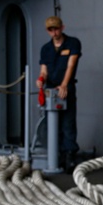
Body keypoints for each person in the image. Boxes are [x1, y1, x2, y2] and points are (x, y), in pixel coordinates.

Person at [37, 15, 81, 172]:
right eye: (50, 30)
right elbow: (44, 70)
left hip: (66, 89)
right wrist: (41, 80)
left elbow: (71, 65)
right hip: (50, 90)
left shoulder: (72, 43)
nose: (54, 32)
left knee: (68, 124)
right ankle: (57, 156)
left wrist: (64, 85)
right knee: (52, 125)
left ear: (62, 28)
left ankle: (70, 156)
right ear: (47, 31)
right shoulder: (45, 49)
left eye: (56, 29)